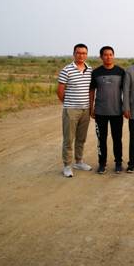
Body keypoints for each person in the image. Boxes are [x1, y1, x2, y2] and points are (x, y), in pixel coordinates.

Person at [57, 43, 93, 178]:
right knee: (68, 139)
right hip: (71, 109)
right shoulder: (67, 70)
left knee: (81, 138)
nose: (81, 55)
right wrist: (68, 104)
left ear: (87, 55)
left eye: (84, 53)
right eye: (78, 53)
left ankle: (79, 162)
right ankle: (67, 165)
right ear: (74, 54)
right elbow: (60, 91)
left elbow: (90, 90)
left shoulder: (90, 70)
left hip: (86, 110)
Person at [89, 46, 125, 174]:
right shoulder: (96, 72)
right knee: (101, 139)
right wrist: (91, 107)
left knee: (117, 139)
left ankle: (118, 163)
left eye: (110, 54)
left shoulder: (121, 72)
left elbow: (125, 91)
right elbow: (92, 91)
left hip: (117, 112)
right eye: (105, 55)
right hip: (100, 112)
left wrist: (125, 107)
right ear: (101, 57)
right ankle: (102, 163)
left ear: (113, 56)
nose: (108, 57)